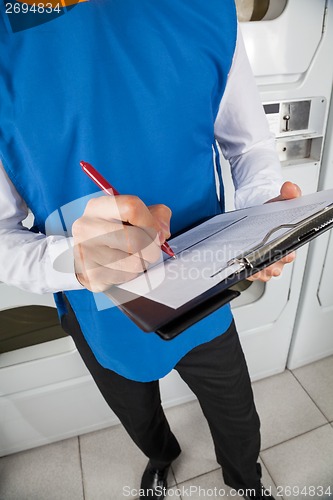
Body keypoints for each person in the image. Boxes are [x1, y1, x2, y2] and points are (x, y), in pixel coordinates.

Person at [0, 2, 301, 499]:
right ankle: (162, 458)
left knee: (236, 410)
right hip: (98, 304)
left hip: (201, 276)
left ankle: (246, 483)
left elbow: (247, 149)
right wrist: (75, 261)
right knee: (137, 414)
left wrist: (263, 208)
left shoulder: (206, 9)